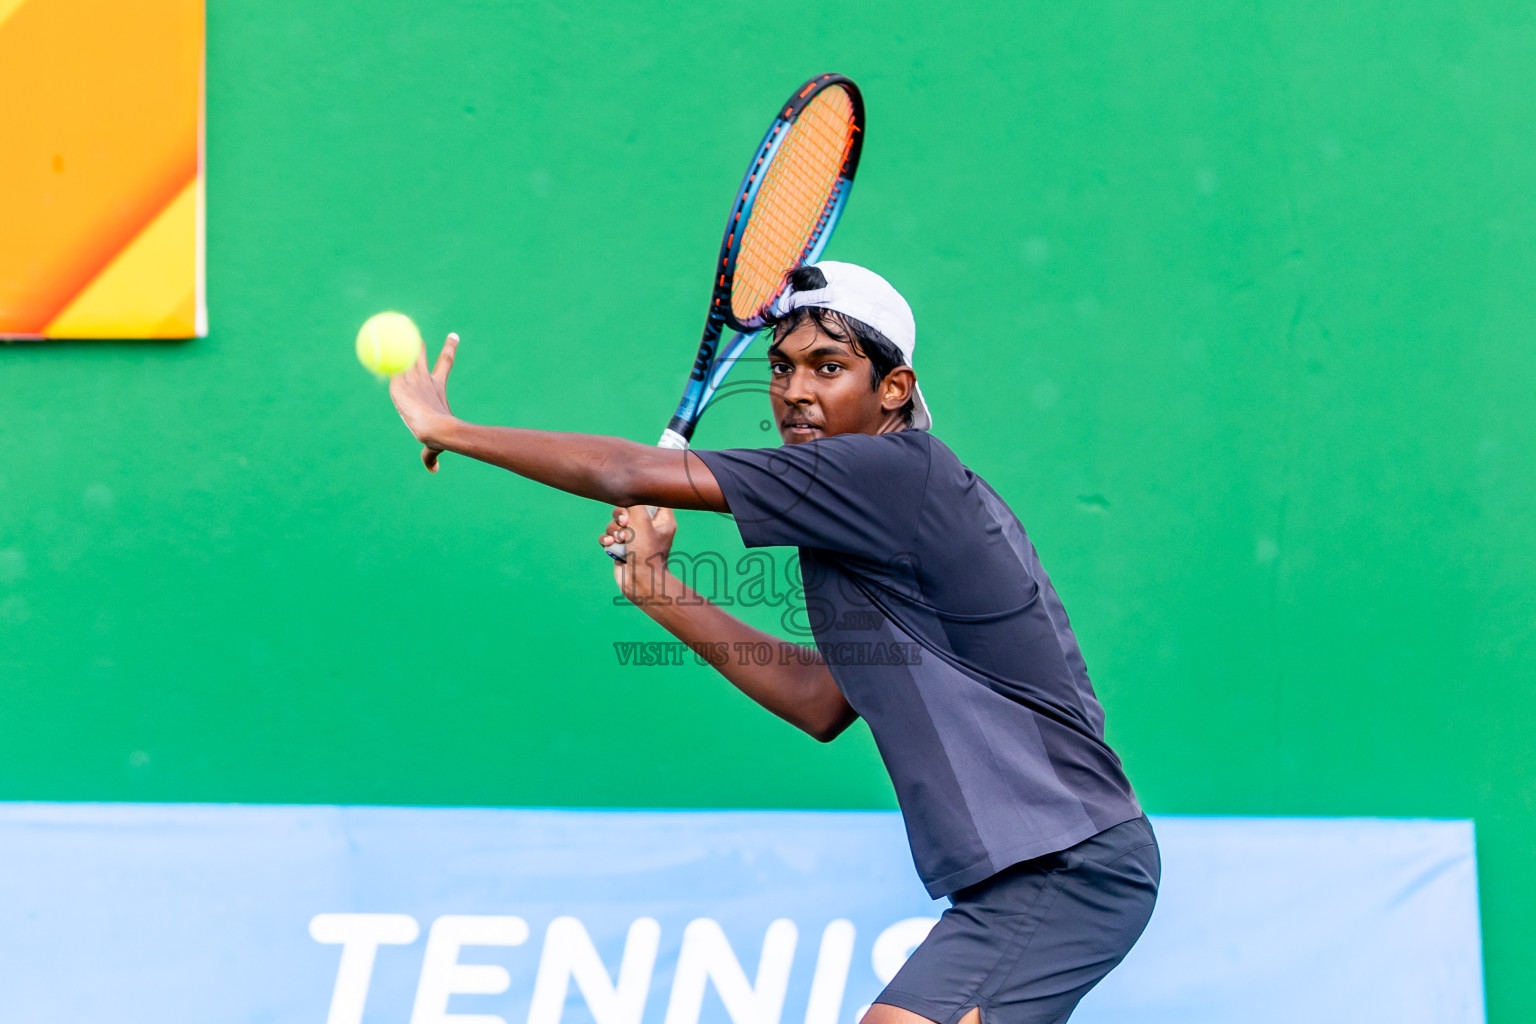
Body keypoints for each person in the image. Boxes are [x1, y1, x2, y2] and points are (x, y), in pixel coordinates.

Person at [388, 261, 1159, 1024]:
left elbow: (628, 469)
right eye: (782, 368)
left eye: (830, 368)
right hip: (1039, 870)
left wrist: (450, 428)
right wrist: (658, 587)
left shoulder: (891, 474)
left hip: (1068, 863)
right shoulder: (859, 523)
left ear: (893, 390)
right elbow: (820, 700)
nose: (795, 391)